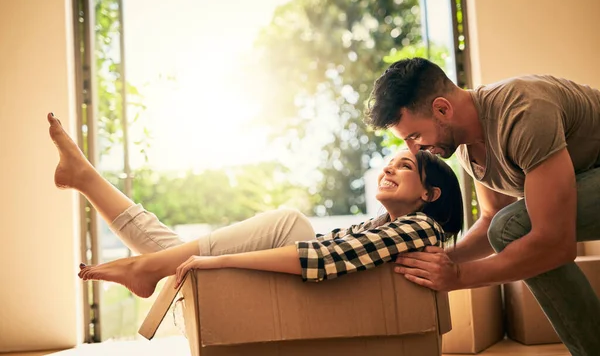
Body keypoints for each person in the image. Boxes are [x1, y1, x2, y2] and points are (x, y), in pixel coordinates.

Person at [47, 112, 462, 298]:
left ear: (430, 194)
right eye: (388, 164)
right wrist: (210, 259)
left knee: (288, 222)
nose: (387, 171)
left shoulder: (422, 229)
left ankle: (142, 264)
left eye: (404, 166)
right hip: (314, 289)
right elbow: (331, 245)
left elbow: (321, 257)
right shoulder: (381, 225)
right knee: (172, 250)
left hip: (317, 296)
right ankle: (87, 181)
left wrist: (218, 262)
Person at [365, 57, 600, 355]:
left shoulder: (522, 113)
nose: (413, 149)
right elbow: (490, 219)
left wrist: (458, 277)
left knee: (512, 228)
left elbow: (556, 243)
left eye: (414, 136)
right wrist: (441, 260)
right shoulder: (467, 150)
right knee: (504, 225)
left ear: (441, 109)